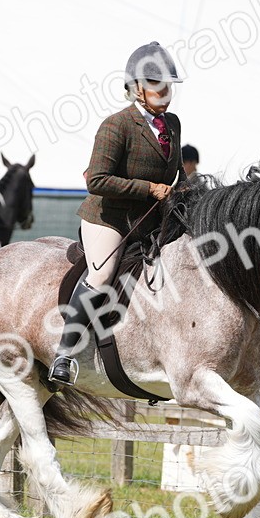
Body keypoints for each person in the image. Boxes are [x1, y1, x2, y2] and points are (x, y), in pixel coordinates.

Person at [49, 42, 186, 387]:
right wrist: (149, 189)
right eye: (157, 86)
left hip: (150, 221)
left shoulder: (172, 124)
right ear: (137, 88)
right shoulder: (116, 125)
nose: (165, 93)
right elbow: (97, 179)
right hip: (108, 218)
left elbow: (177, 174)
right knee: (102, 273)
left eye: (168, 86)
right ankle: (64, 354)